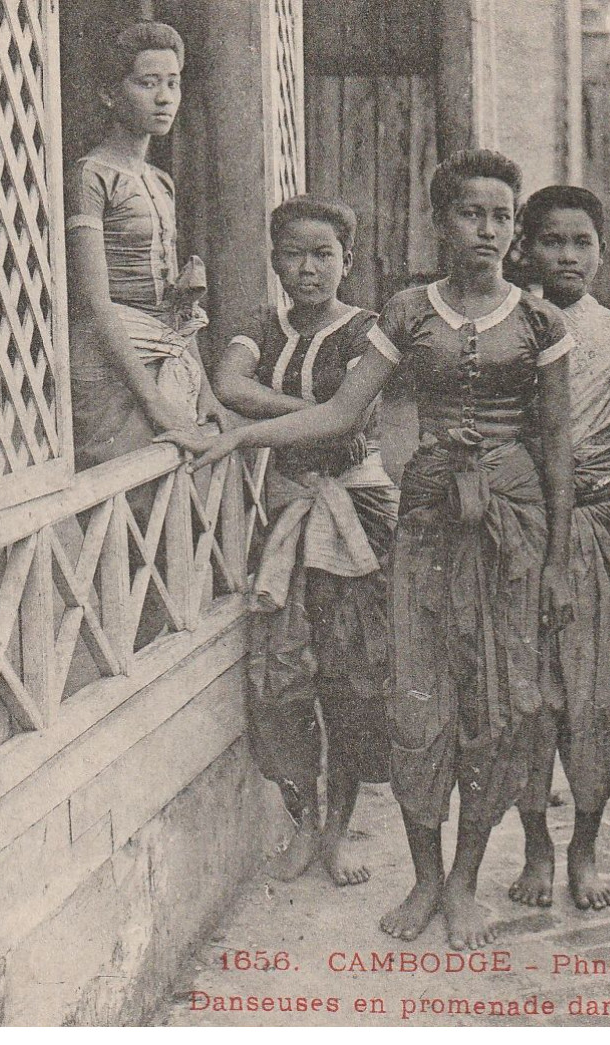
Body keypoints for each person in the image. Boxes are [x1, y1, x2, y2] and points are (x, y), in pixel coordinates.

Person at [160, 149, 575, 952]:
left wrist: (556, 558)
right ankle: (423, 878)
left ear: (513, 225)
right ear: (440, 220)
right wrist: (241, 437)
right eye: (469, 213)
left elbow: (556, 443)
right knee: (415, 699)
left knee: (495, 704)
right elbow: (340, 413)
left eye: (499, 215)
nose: (485, 229)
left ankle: (462, 880)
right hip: (422, 522)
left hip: (510, 531)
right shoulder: (408, 311)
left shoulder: (538, 322)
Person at [201, 195, 399, 888]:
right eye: (292, 253)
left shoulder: (369, 331)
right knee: (281, 678)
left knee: (348, 677)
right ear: (275, 260)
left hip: (357, 513)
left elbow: (355, 421)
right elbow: (227, 383)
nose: (308, 268)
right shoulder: (261, 325)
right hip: (286, 516)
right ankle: (304, 822)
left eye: (323, 254)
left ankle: (338, 831)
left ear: (346, 259)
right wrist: (322, 416)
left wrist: (309, 421)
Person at [507, 185, 610, 912]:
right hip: (518, 528)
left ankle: (583, 845)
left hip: (597, 523)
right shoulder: (506, 324)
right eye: (551, 240)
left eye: (581, 241)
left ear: (600, 248)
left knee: (600, 694)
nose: (567, 255)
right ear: (524, 245)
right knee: (526, 694)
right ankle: (535, 842)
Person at [65, 20, 226, 473]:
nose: (165, 97)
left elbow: (176, 304)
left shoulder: (161, 182)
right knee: (127, 496)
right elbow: (97, 306)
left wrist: (205, 391)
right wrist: (155, 404)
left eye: (173, 83)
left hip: (164, 354)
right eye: (147, 83)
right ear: (109, 93)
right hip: (108, 365)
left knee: (174, 493)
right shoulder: (91, 175)